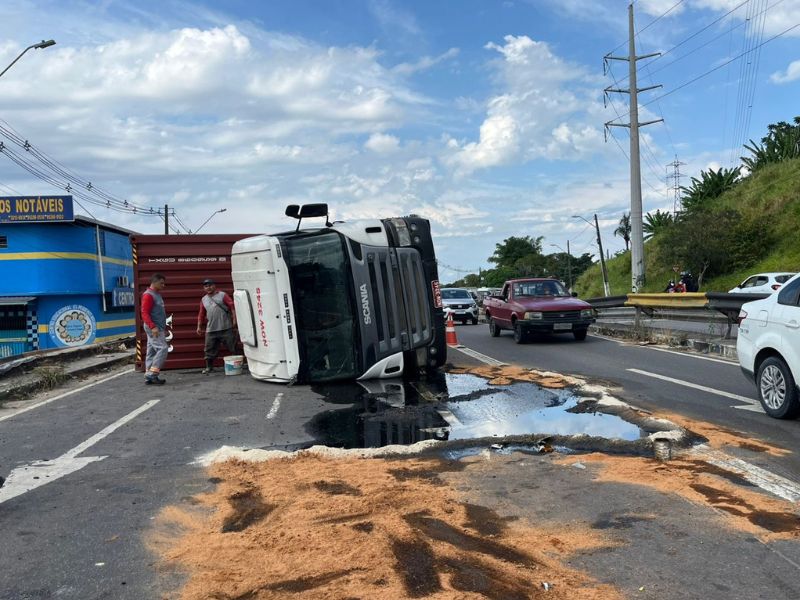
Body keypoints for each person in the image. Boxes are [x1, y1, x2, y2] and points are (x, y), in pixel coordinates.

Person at [196, 278, 238, 374]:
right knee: (209, 349)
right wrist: (199, 327)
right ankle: (209, 367)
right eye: (206, 286)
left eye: (210, 285)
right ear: (204, 288)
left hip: (226, 327)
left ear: (214, 286)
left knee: (233, 346)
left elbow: (232, 307)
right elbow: (201, 314)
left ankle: (239, 364)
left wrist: (234, 320)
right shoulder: (204, 299)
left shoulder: (222, 295)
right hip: (211, 329)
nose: (208, 287)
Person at [141, 273, 168, 385]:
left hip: (157, 327)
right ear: (154, 282)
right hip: (154, 327)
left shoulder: (156, 294)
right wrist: (153, 327)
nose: (163, 285)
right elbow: (144, 312)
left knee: (151, 351)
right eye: (161, 283)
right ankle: (152, 374)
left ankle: (149, 375)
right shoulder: (148, 295)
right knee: (163, 348)